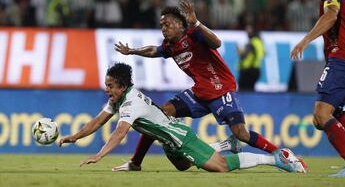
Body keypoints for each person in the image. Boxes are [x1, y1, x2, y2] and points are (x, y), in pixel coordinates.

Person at [114, 0, 287, 171]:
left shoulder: (193, 34)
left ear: (180, 25)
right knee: (160, 114)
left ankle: (281, 154)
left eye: (166, 24)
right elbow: (154, 50)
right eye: (161, 26)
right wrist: (131, 51)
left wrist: (196, 23)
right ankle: (135, 162)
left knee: (241, 133)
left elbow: (217, 43)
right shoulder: (170, 46)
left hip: (221, 88)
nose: (163, 29)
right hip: (200, 91)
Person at [59, 62, 306, 173]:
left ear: (122, 86)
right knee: (185, 165)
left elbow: (120, 132)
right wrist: (74, 137)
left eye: (111, 86)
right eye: (106, 85)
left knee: (219, 167)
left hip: (181, 137)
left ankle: (275, 161)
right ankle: (225, 144)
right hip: (170, 144)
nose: (107, 89)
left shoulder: (131, 104)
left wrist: (100, 155)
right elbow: (97, 121)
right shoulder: (118, 99)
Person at [290, 0, 345, 177]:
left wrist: (305, 40)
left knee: (321, 115)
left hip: (343, 58)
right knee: (327, 118)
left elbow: (331, 16)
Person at [237, 24, 265, 91]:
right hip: (256, 69)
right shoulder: (260, 42)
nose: (247, 32)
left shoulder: (252, 42)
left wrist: (239, 51)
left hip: (248, 70)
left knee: (243, 91)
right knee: (251, 90)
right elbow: (264, 53)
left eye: (249, 30)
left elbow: (244, 54)